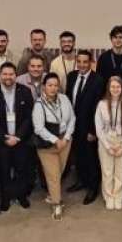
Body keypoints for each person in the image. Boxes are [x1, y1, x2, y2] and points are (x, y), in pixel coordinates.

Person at [0, 62, 35, 210]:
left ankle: (21, 196)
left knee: (21, 170)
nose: (8, 77)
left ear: (16, 75)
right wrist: (4, 138)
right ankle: (5, 198)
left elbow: (29, 117)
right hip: (2, 142)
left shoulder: (25, 91)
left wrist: (18, 136)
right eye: (5, 74)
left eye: (11, 74)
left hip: (21, 140)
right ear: (0, 75)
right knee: (4, 171)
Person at [32, 73, 76, 220]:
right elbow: (39, 128)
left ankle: (52, 194)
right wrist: (56, 140)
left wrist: (66, 137)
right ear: (44, 87)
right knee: (53, 175)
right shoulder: (38, 105)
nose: (53, 88)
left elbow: (72, 119)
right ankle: (57, 204)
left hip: (65, 142)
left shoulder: (64, 99)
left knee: (59, 173)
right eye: (50, 85)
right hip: (47, 146)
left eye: (56, 85)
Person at [66, 50, 104, 204]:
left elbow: (98, 107)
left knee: (91, 158)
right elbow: (68, 100)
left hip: (88, 127)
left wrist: (93, 131)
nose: (82, 65)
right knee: (79, 156)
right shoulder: (71, 76)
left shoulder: (98, 80)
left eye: (85, 62)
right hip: (73, 126)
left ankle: (93, 187)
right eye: (79, 61)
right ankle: (81, 181)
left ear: (91, 63)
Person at [95, 75, 122, 210]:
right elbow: (99, 129)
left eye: (118, 86)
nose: (115, 89)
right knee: (107, 171)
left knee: (121, 171)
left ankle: (118, 196)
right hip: (105, 141)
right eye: (112, 86)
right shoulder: (101, 104)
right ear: (108, 88)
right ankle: (109, 196)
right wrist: (108, 146)